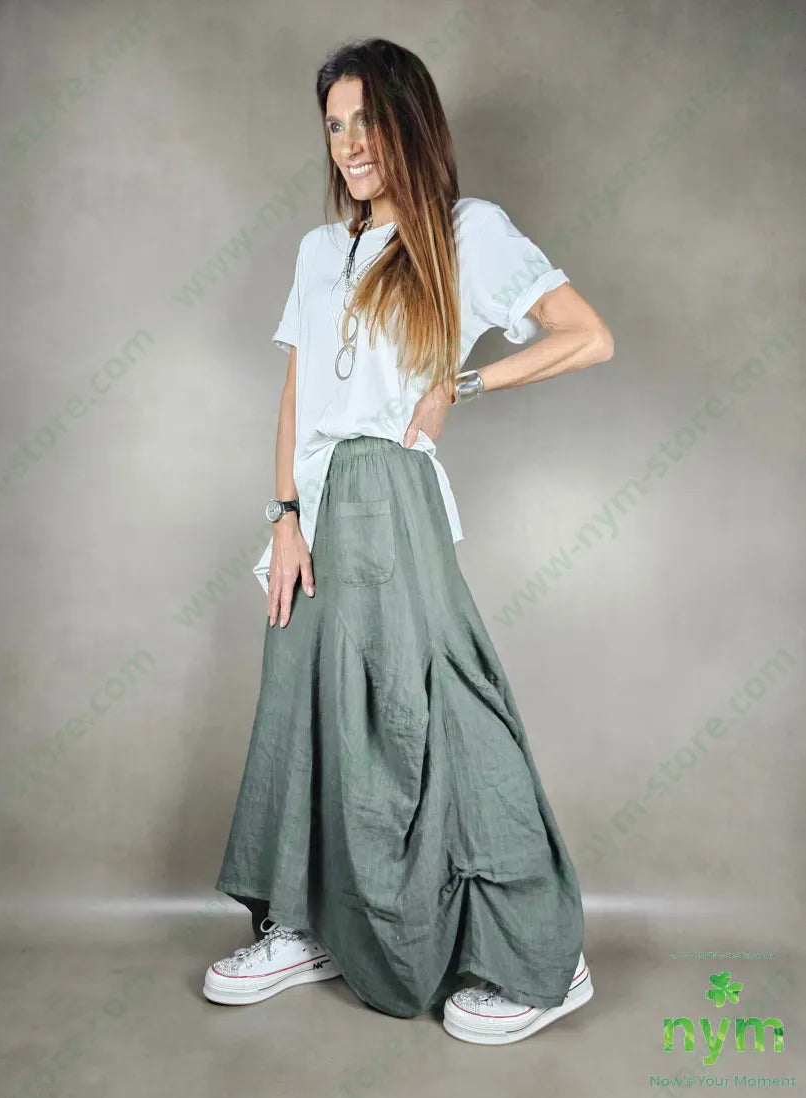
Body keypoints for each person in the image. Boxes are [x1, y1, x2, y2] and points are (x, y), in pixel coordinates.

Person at [204, 36, 614, 1046]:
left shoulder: (464, 232)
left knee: (438, 708)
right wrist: (284, 516)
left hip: (392, 492)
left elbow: (587, 334)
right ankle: (307, 924)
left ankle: (543, 958)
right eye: (334, 125)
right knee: (307, 706)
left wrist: (462, 383)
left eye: (367, 121)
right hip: (316, 505)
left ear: (410, 124)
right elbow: (297, 393)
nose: (350, 143)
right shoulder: (317, 251)